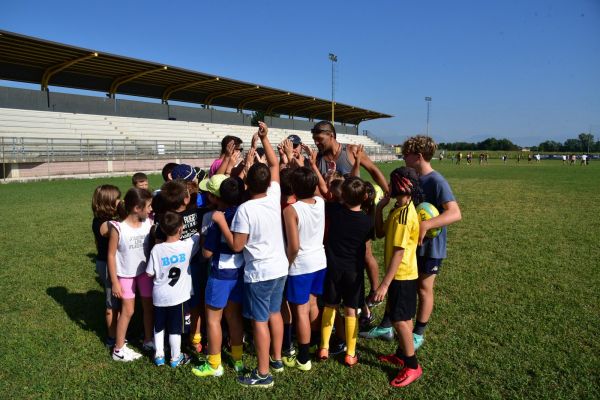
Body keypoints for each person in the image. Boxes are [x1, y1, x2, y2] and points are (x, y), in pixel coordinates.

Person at [219, 122, 288, 388]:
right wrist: (265, 139)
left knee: (260, 322)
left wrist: (222, 224)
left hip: (259, 272)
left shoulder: (245, 210)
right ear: (269, 182)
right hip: (280, 267)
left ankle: (263, 373)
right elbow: (273, 164)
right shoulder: (274, 195)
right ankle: (277, 359)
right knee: (275, 314)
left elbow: (237, 246)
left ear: (247, 181)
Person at [402, 135, 461, 351]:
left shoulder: (437, 181)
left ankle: (418, 333)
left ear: (418, 157)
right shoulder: (414, 178)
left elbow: (455, 213)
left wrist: (426, 225)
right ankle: (398, 324)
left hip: (431, 246)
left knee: (424, 289)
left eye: (405, 155)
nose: (403, 158)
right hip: (413, 244)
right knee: (408, 285)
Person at [372, 167, 423, 387]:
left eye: (392, 184)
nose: (389, 188)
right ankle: (402, 355)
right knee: (400, 317)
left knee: (400, 320)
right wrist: (379, 209)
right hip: (400, 275)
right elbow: (380, 232)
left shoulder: (404, 216)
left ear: (401, 186)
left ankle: (412, 366)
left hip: (401, 276)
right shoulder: (398, 208)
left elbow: (399, 252)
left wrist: (384, 284)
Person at [192, 176, 247, 378]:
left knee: (213, 319)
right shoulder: (243, 212)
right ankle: (238, 358)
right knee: (234, 316)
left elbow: (207, 253)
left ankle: (215, 364)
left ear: (218, 197)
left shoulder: (218, 218)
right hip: (239, 271)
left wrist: (202, 240)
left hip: (220, 273)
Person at [317, 177, 374, 367]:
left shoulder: (334, 211)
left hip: (332, 268)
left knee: (330, 306)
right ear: (365, 196)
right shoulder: (367, 221)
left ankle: (323, 347)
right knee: (351, 310)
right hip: (354, 273)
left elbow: (323, 195)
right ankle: (350, 353)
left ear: (343, 196)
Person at [281, 167, 326, 371]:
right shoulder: (321, 202)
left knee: (300, 311)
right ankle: (316, 342)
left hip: (300, 264)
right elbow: (318, 190)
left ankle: (303, 356)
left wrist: (287, 263)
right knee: (313, 303)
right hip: (320, 260)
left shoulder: (291, 210)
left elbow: (294, 246)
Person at [146, 211, 200, 367]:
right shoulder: (187, 246)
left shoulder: (156, 249)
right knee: (175, 328)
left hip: (159, 296)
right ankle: (176, 358)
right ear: (181, 229)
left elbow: (149, 273)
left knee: (159, 326)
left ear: (162, 229)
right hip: (179, 297)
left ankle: (159, 356)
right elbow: (198, 235)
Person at [107, 187, 154, 361]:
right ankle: (118, 349)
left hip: (144, 274)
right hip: (125, 275)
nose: (150, 210)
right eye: (148, 206)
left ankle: (148, 340)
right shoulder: (118, 228)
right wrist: (115, 282)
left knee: (148, 308)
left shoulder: (149, 223)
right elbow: (111, 255)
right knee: (128, 311)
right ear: (136, 208)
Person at [311, 121, 389, 193]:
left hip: (353, 206)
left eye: (319, 139)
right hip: (329, 207)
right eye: (314, 139)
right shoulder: (317, 159)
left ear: (331, 135)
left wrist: (387, 193)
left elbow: (373, 170)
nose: (316, 143)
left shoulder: (352, 151)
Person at [91, 184, 122, 348]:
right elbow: (121, 230)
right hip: (108, 265)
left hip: (107, 262)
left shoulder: (104, 220)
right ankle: (112, 337)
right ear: (109, 202)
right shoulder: (106, 224)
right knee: (112, 304)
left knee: (116, 300)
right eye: (117, 199)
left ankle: (119, 331)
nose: (120, 201)